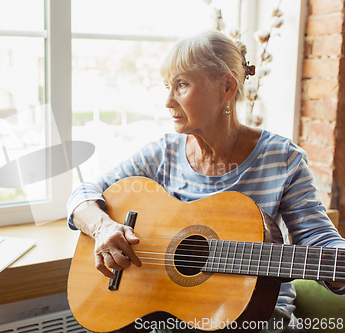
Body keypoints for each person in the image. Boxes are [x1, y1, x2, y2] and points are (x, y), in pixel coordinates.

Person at [67, 30, 345, 333]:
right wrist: (103, 227)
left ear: (226, 87)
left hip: (255, 315)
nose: (167, 101)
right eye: (166, 87)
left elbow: (318, 238)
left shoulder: (283, 159)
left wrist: (337, 266)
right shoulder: (162, 154)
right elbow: (82, 194)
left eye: (181, 85)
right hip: (168, 313)